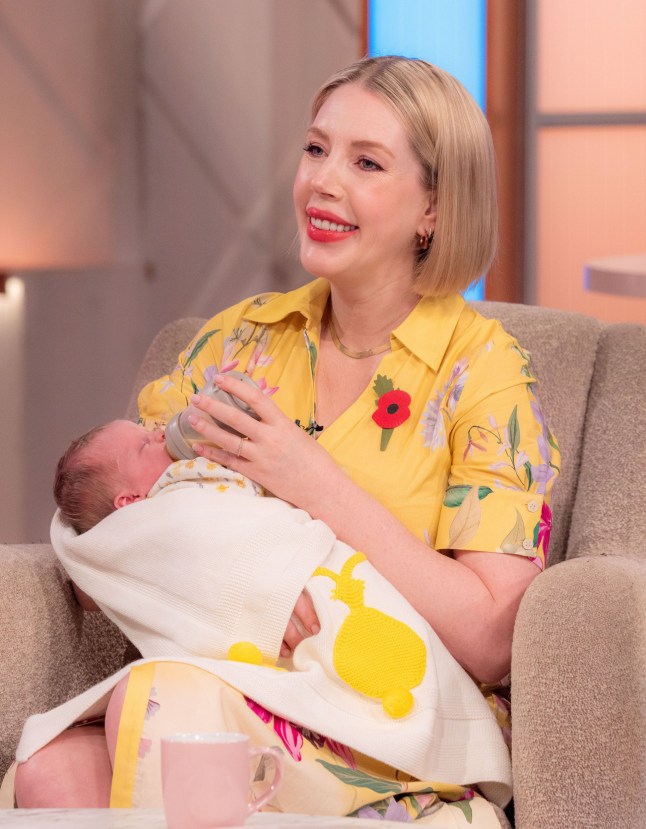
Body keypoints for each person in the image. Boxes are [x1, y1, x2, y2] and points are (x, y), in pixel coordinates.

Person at [12, 56, 559, 826]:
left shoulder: (486, 375)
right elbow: (101, 524)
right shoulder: (238, 341)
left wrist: (315, 483)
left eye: (366, 162)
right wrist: (240, 584)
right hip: (234, 684)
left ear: (433, 208)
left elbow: (490, 637)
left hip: (397, 730)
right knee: (47, 774)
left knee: (158, 703)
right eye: (315, 149)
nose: (322, 182)